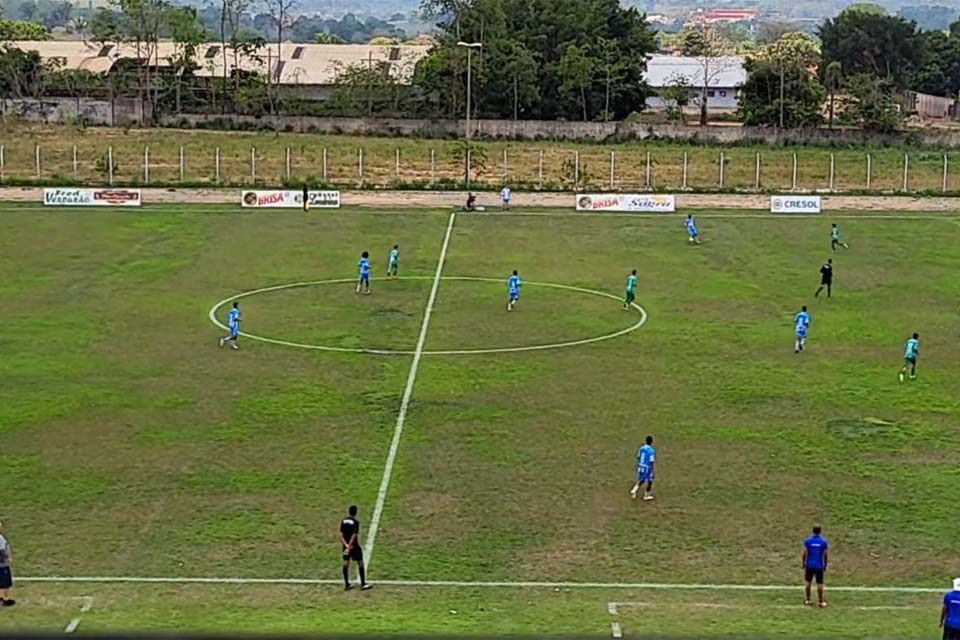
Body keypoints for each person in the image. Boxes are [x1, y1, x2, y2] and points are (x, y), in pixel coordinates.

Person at [339, 506, 371, 591]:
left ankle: (346, 584)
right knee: (360, 562)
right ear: (356, 512)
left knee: (346, 563)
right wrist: (350, 545)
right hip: (354, 546)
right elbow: (354, 534)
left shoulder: (343, 521)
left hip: (345, 546)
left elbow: (341, 535)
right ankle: (363, 584)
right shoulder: (355, 522)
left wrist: (346, 545)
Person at [802, 524, 829, 608]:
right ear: (820, 531)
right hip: (819, 565)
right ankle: (820, 601)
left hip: (809, 565)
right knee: (819, 583)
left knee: (808, 582)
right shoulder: (823, 542)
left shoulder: (808, 541)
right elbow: (825, 554)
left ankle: (808, 599)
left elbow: (804, 553)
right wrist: (825, 564)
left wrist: (803, 563)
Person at [630, 436, 655, 501]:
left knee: (641, 479)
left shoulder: (641, 448)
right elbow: (651, 461)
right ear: (651, 442)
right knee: (650, 481)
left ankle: (634, 489)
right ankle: (646, 495)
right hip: (647, 468)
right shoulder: (651, 451)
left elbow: (638, 457)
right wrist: (652, 471)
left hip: (641, 466)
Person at [0, 521, 14, 607]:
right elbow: (2, 551)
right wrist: (7, 558)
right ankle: (5, 599)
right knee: (5, 582)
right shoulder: (0, 539)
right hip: (2, 565)